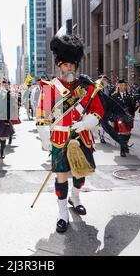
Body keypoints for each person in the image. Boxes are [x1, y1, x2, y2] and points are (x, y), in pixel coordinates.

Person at [37, 34, 105, 233]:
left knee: (80, 174)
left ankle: (75, 198)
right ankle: (62, 213)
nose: (70, 68)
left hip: (81, 136)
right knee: (61, 176)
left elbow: (98, 110)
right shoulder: (49, 88)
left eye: (73, 65)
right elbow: (42, 115)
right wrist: (44, 138)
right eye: (66, 65)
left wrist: (87, 122)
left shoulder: (87, 87)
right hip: (59, 139)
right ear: (59, 65)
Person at [111, 80, 136, 157]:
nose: (123, 87)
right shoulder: (114, 96)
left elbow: (132, 108)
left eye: (124, 85)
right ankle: (122, 150)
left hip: (128, 117)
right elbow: (111, 108)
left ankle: (124, 144)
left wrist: (136, 107)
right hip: (119, 117)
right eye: (121, 85)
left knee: (128, 133)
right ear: (118, 86)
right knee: (123, 132)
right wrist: (112, 119)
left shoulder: (129, 96)